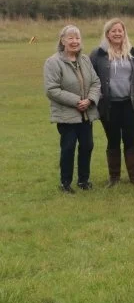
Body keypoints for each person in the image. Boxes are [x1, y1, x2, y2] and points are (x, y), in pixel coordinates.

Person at [90, 19, 134, 187]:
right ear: (107, 33)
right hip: (109, 106)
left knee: (131, 141)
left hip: (130, 105)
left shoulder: (133, 52)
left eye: (120, 31)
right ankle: (114, 178)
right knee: (113, 141)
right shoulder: (98, 54)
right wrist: (98, 92)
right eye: (113, 31)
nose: (117, 34)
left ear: (124, 33)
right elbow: (90, 77)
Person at [45, 25, 101, 193]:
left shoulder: (85, 60)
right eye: (70, 38)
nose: (74, 41)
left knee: (87, 146)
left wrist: (90, 100)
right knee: (68, 148)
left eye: (77, 38)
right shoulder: (53, 62)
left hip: (86, 114)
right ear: (62, 40)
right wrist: (77, 101)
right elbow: (52, 89)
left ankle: (83, 180)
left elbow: (96, 82)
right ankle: (65, 183)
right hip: (67, 116)